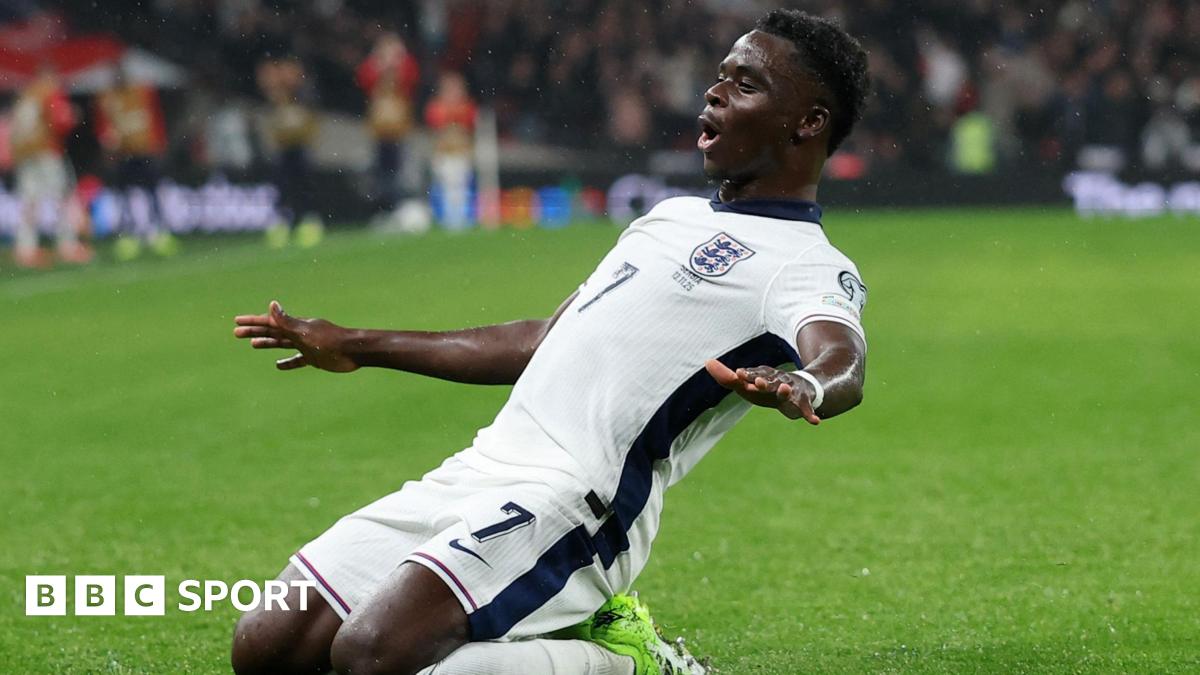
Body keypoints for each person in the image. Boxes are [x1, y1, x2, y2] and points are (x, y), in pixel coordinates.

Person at [231, 10, 870, 675]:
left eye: (745, 84)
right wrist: (356, 343)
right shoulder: (668, 217)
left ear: (808, 122)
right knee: (267, 647)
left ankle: (628, 662)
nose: (714, 94)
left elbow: (841, 357)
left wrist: (807, 382)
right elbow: (542, 339)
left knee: (373, 655)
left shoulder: (806, 263)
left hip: (577, 501)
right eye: (720, 77)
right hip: (481, 468)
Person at [7, 65, 90, 268]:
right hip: (47, 152)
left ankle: (25, 249)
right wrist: (74, 116)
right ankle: (68, 245)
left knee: (29, 202)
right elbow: (60, 120)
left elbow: (15, 128)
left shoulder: (27, 95)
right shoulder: (50, 93)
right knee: (63, 197)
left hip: (26, 154)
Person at [94, 67, 176, 260]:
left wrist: (158, 142)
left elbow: (154, 118)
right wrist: (107, 145)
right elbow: (103, 127)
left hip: (143, 151)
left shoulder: (141, 93)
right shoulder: (108, 98)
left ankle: (157, 233)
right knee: (125, 196)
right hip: (123, 154)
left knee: (152, 192)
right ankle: (129, 235)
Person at [356, 33, 420, 211]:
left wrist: (398, 60)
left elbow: (412, 77)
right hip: (380, 129)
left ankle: (402, 206)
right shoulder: (374, 67)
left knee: (403, 169)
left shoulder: (405, 66)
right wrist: (379, 62)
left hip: (401, 127)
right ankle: (385, 207)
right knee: (380, 171)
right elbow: (363, 79)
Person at [424, 71, 477, 229]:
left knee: (460, 187)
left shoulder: (466, 105)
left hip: (461, 152)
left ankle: (460, 218)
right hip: (444, 153)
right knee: (445, 186)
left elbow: (469, 120)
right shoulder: (436, 105)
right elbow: (434, 121)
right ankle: (446, 218)